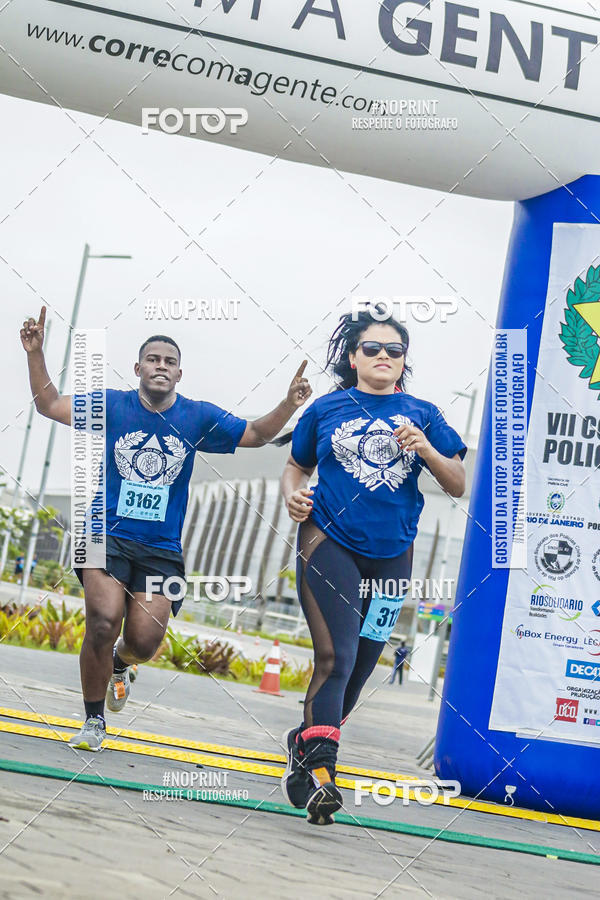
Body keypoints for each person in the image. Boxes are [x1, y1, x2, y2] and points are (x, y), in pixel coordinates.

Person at [21, 306, 311, 751]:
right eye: (152, 360)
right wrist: (36, 353)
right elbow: (49, 405)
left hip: (160, 548)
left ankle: (122, 663)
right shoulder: (113, 405)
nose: (160, 366)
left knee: (143, 640)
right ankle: (94, 721)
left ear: (179, 374)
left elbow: (254, 434)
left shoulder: (196, 417)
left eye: (169, 362)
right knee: (101, 622)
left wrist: (288, 405)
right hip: (103, 533)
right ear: (138, 368)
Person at [279, 305, 466, 825]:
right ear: (353, 357)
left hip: (392, 555)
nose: (384, 356)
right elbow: (296, 465)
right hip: (328, 541)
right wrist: (293, 497)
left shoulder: (423, 413)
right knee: (335, 659)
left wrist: (426, 448)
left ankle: (304, 742)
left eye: (395, 350)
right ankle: (322, 775)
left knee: (360, 670)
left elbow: (457, 483)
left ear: (404, 362)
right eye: (372, 349)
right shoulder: (327, 408)